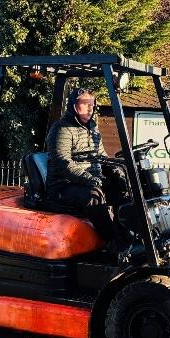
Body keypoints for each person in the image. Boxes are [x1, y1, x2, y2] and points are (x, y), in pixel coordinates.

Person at [45, 87, 124, 242]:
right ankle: (113, 242)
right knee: (93, 195)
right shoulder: (62, 129)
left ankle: (128, 235)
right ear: (74, 105)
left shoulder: (93, 128)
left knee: (122, 187)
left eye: (92, 103)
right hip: (62, 186)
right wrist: (89, 179)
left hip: (88, 181)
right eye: (86, 103)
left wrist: (118, 170)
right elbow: (63, 162)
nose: (90, 107)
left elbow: (101, 157)